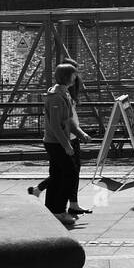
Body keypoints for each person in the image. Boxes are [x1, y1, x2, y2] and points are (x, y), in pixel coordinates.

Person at [30, 71, 92, 216]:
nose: (76, 77)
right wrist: (66, 145)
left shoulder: (65, 94)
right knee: (68, 174)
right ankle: (59, 210)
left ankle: (54, 210)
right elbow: (56, 126)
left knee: (58, 174)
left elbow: (69, 120)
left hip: (60, 141)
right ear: (67, 77)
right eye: (73, 75)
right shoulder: (56, 98)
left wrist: (80, 134)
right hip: (56, 142)